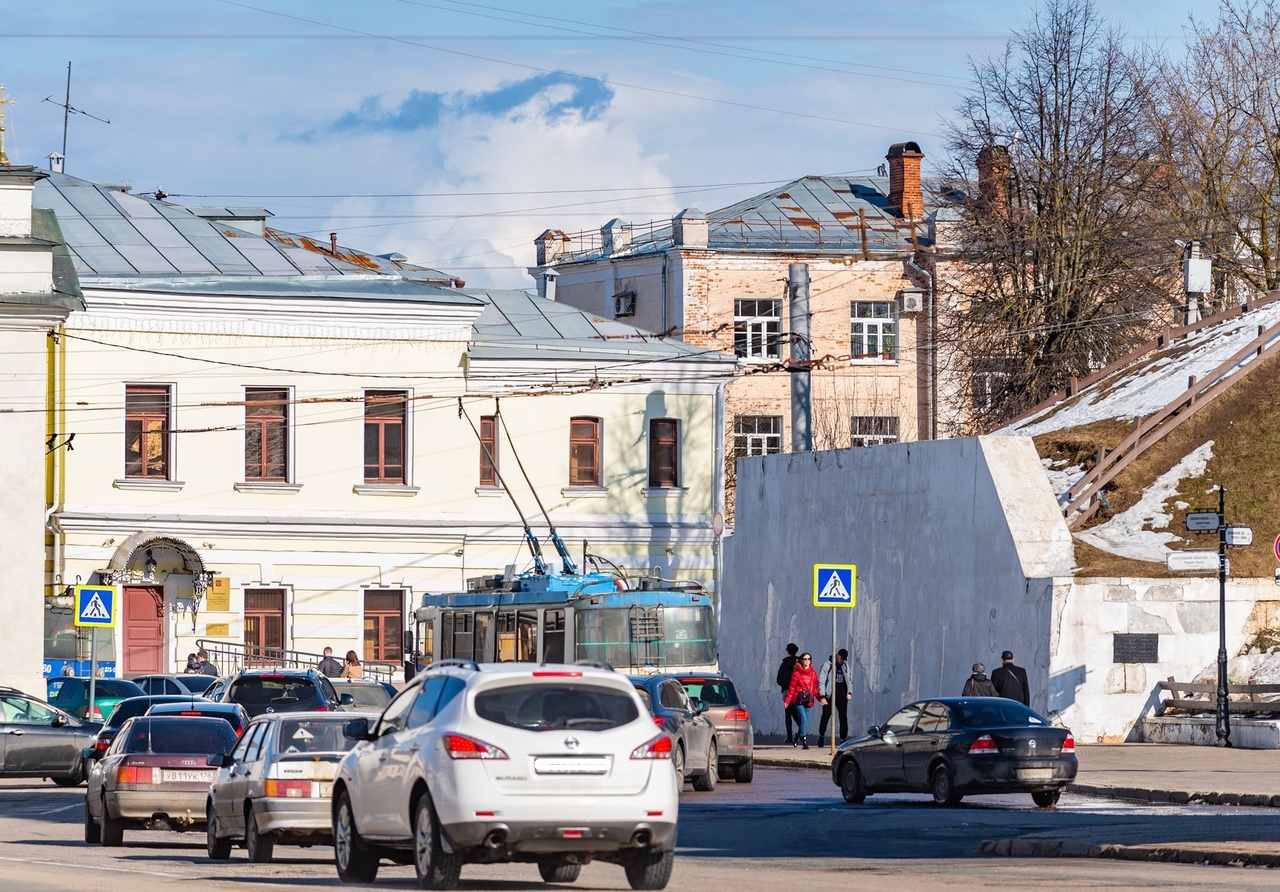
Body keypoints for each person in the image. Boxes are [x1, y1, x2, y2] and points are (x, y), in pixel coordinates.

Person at [783, 652, 821, 749]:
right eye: (805, 659)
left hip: (809, 700)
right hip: (798, 700)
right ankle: (804, 741)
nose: (807, 661)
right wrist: (787, 701)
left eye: (809, 659)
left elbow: (815, 689)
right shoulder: (796, 674)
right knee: (803, 719)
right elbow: (791, 689)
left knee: (805, 721)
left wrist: (820, 698)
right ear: (801, 660)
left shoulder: (813, 673)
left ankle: (797, 736)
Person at [817, 648, 852, 746]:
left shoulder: (845, 666)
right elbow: (821, 681)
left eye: (844, 659)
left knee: (843, 717)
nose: (842, 660)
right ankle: (821, 735)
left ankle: (843, 738)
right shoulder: (827, 665)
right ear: (837, 655)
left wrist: (849, 692)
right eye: (841, 658)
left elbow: (849, 680)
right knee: (825, 716)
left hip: (841, 696)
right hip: (829, 695)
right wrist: (822, 696)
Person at [776, 643, 800, 745]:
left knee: (789, 714)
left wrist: (784, 685)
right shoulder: (799, 662)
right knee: (796, 711)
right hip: (798, 691)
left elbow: (779, 678)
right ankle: (801, 730)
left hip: (787, 691)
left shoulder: (785, 663)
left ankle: (790, 736)